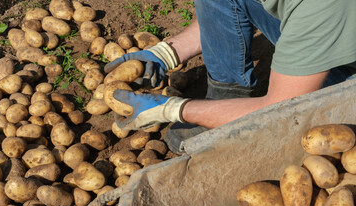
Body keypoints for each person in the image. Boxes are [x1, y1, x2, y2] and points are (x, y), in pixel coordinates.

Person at [105, 0, 356, 154]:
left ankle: (230, 120)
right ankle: (226, 98)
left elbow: (280, 109)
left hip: (349, 81)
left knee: (290, 119)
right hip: (326, 25)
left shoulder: (322, 6)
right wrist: (167, 53)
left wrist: (172, 109)